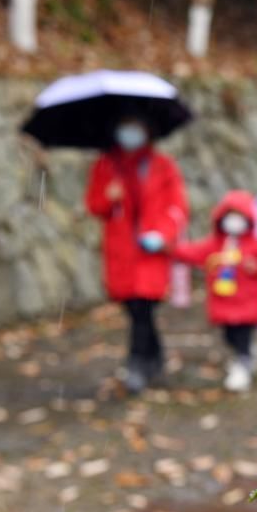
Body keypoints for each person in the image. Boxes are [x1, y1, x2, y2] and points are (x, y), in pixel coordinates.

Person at [85, 116, 189, 393]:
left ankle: (136, 364)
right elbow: (95, 206)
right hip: (121, 252)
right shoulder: (106, 166)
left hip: (150, 251)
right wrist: (110, 196)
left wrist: (162, 234)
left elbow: (177, 207)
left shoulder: (162, 166)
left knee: (143, 307)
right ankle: (155, 357)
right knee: (135, 310)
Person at [172, 190, 257, 392]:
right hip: (224, 303)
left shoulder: (256, 245)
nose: (234, 221)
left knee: (242, 336)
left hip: (248, 304)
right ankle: (246, 354)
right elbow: (194, 252)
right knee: (229, 337)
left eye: (239, 216)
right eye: (230, 215)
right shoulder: (215, 245)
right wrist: (171, 249)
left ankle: (242, 366)